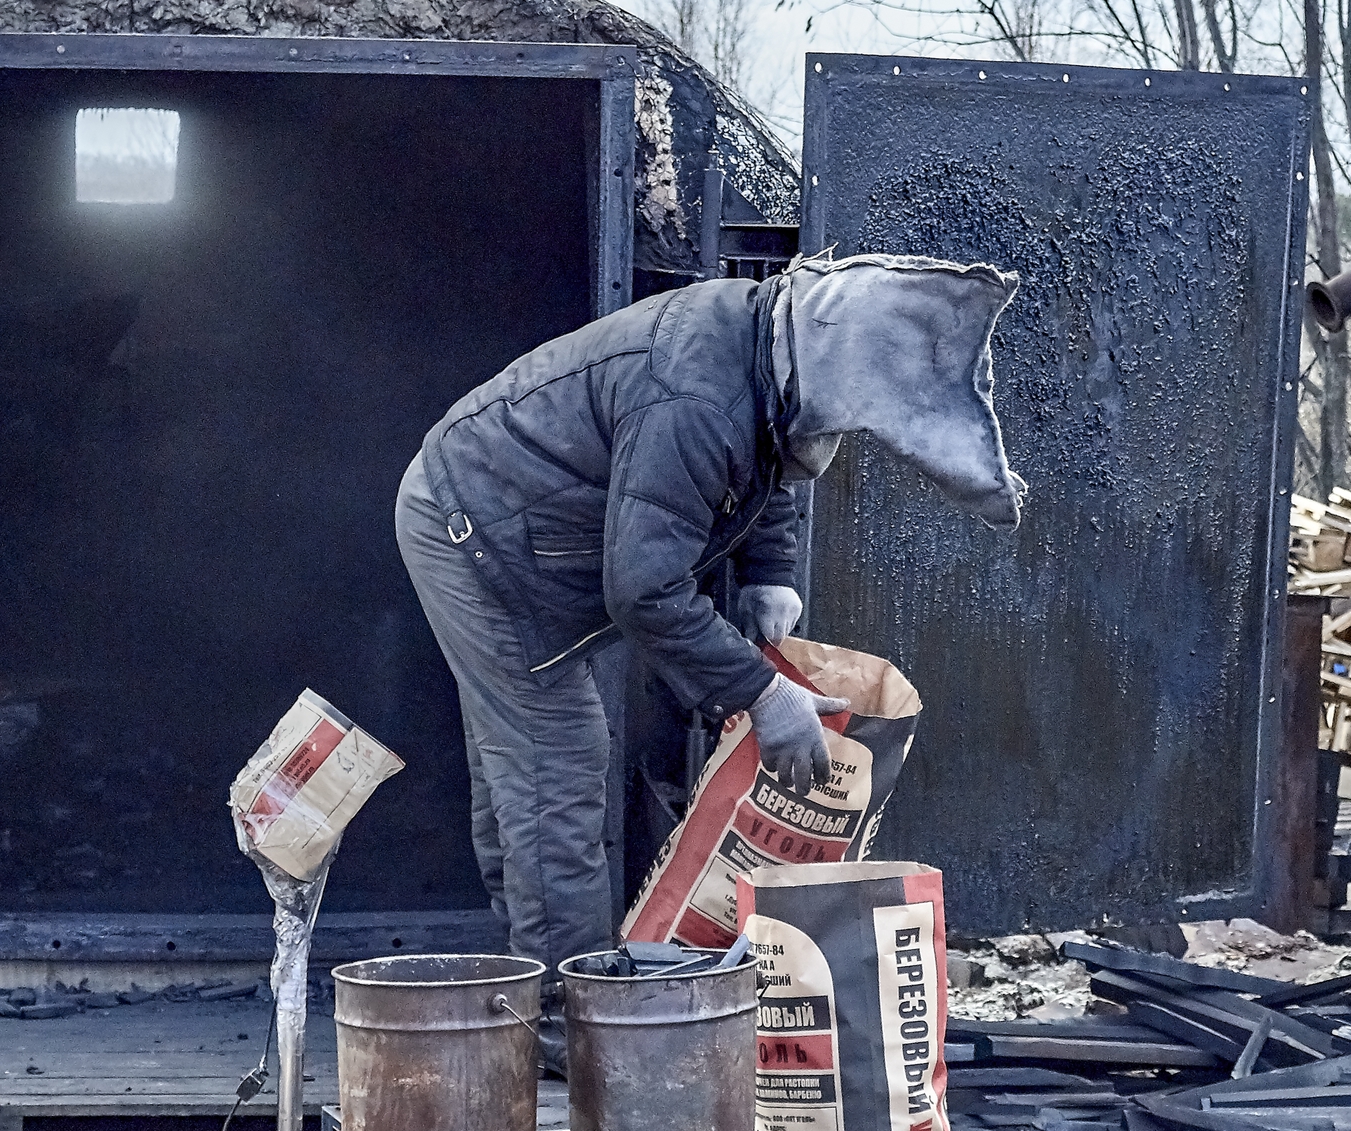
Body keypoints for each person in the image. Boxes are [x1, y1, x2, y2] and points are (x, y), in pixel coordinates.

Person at [396, 253, 1022, 1070]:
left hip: (502, 516)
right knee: (555, 756)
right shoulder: (696, 399)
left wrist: (769, 573)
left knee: (524, 762)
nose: (830, 443)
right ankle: (560, 1027)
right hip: (473, 531)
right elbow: (644, 588)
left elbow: (776, 448)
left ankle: (520, 981)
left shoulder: (772, 341)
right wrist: (762, 693)